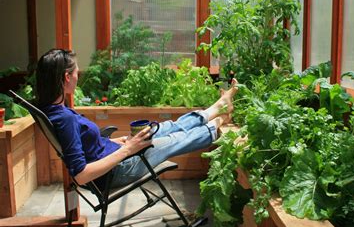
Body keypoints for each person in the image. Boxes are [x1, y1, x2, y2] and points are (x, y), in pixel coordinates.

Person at [35, 49, 237, 189]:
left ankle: (217, 107)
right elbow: (81, 175)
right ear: (67, 77)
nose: (79, 74)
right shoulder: (64, 119)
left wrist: (118, 142)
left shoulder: (54, 109)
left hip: (119, 154)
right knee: (174, 140)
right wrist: (129, 149)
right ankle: (219, 122)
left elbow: (87, 147)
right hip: (118, 170)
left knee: (166, 127)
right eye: (76, 70)